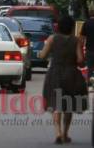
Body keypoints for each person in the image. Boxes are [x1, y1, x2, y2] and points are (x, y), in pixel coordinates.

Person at [40, 16, 88, 144]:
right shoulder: (76, 41)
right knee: (69, 105)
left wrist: (44, 54)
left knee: (57, 104)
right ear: (72, 27)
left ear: (58, 27)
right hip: (71, 74)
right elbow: (80, 60)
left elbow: (43, 55)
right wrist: (81, 64)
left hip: (55, 73)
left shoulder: (52, 39)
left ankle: (58, 133)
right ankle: (66, 133)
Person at [80, 6, 94, 85]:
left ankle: (89, 83)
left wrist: (81, 48)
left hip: (89, 49)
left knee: (90, 68)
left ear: (89, 14)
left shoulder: (86, 23)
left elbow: (82, 38)